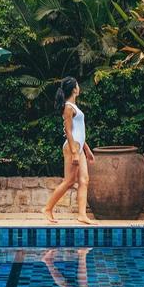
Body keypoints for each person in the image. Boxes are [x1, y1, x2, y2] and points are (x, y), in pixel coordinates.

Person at [42, 77, 97, 225]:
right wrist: (74, 152)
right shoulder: (68, 107)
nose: (79, 88)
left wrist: (87, 150)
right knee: (69, 181)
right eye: (77, 85)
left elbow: (79, 131)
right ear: (74, 89)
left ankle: (82, 215)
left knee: (84, 180)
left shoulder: (74, 107)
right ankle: (47, 208)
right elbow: (68, 131)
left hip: (79, 147)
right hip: (72, 147)